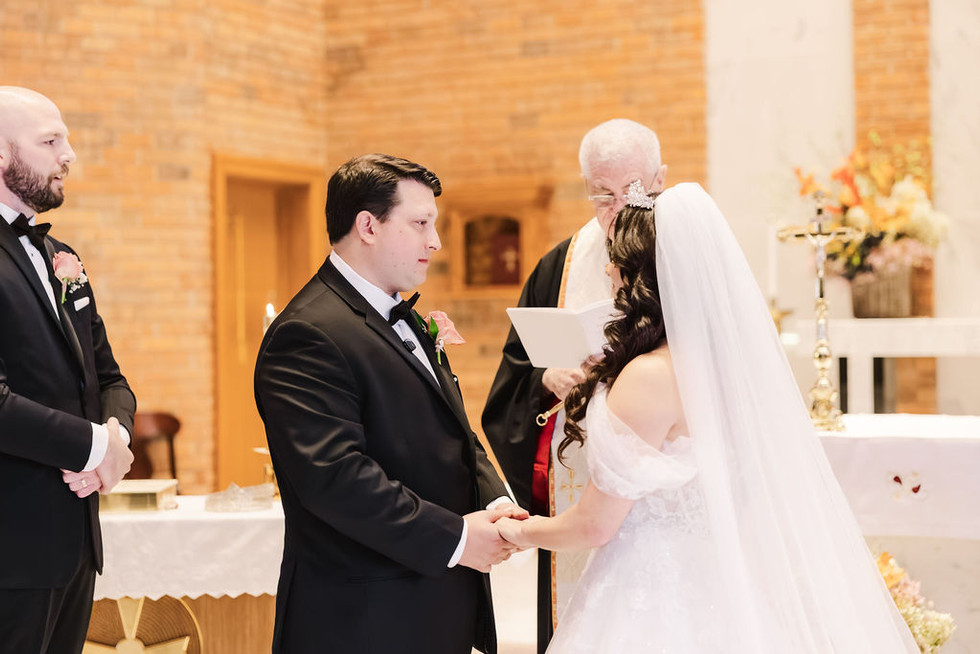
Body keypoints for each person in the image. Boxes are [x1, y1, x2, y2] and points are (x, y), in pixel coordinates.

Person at [496, 181, 919, 652]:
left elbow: (595, 524)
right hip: (725, 584)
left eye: (616, 261)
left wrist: (519, 530)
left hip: (652, 595)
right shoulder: (725, 369)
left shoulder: (649, 376)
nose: (610, 273)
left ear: (641, 275)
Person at [254, 153, 528, 654]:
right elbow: (336, 478)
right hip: (363, 618)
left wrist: (495, 500)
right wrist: (458, 538)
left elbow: (453, 430)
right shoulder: (307, 332)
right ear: (368, 226)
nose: (435, 241)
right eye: (421, 223)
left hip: (431, 600)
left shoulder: (394, 314)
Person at [481, 118, 666, 649]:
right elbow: (510, 380)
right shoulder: (558, 266)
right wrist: (543, 382)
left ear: (660, 177)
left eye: (631, 190)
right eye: (600, 194)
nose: (617, 209)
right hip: (583, 475)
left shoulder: (684, 259)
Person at [0, 87, 135, 654]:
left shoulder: (63, 257)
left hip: (74, 541)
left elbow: (107, 377)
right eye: (51, 141)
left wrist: (116, 439)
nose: (69, 155)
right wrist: (91, 449)